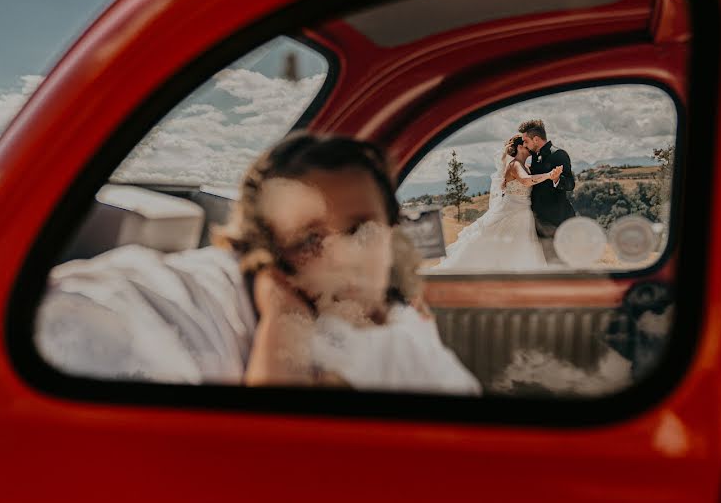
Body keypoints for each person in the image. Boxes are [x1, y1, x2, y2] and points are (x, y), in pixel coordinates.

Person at [35, 132, 480, 395]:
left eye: (361, 230)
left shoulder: (403, 323)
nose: (346, 258)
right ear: (264, 250)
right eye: (309, 239)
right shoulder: (176, 302)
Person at [432, 135, 561, 271]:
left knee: (519, 250)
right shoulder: (514, 165)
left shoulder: (527, 166)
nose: (530, 146)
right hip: (511, 212)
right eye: (526, 143)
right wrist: (548, 175)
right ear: (519, 147)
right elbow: (525, 180)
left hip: (524, 214)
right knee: (501, 249)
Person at [518, 119, 576, 240]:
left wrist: (557, 179)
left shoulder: (558, 154)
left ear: (536, 139)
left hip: (556, 221)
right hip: (538, 221)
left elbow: (570, 184)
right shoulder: (534, 156)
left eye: (526, 141)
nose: (524, 145)